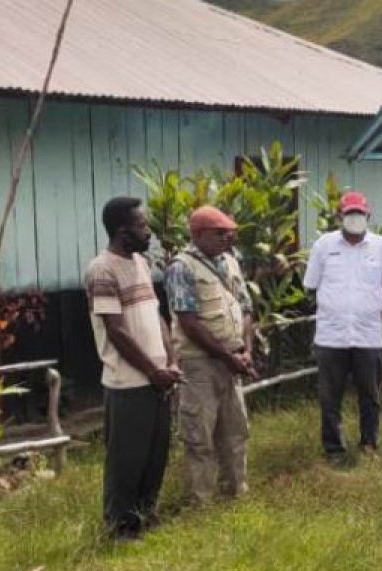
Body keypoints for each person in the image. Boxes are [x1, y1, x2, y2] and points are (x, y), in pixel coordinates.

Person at [84, 196, 181, 540]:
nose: (149, 232)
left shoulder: (140, 263)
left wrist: (170, 361)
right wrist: (152, 372)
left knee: (156, 455)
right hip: (128, 384)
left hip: (158, 379)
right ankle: (120, 528)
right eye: (142, 226)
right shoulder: (102, 270)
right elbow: (116, 330)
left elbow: (156, 316)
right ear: (123, 232)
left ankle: (145, 514)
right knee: (127, 459)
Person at [304, 191, 382, 460]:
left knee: (370, 396)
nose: (354, 219)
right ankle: (334, 448)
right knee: (330, 398)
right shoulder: (323, 246)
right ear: (340, 216)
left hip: (368, 336)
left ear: (368, 216)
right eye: (349, 214)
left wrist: (373, 304)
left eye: (359, 214)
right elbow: (311, 286)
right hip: (331, 336)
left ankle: (369, 444)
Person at [164, 206, 256, 506]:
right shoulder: (182, 267)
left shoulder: (229, 261)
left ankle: (236, 493)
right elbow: (189, 322)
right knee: (199, 434)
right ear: (197, 234)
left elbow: (244, 308)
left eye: (229, 233)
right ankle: (200, 501)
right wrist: (227, 356)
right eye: (219, 233)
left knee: (235, 431)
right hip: (199, 363)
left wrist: (245, 351)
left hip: (231, 360)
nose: (227, 238)